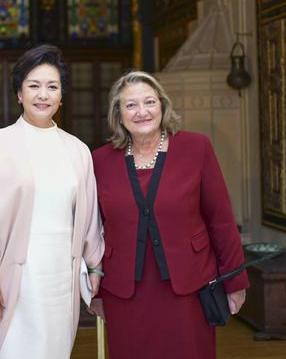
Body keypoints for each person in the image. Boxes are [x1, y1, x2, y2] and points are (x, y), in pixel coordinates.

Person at [91, 70, 249, 359]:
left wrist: (235, 281)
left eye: (149, 102)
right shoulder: (99, 161)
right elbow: (92, 229)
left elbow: (221, 220)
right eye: (130, 105)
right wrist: (95, 290)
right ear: (118, 113)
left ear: (162, 105)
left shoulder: (196, 148)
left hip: (189, 286)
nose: (142, 112)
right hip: (125, 291)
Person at [0, 44, 104, 359]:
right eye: (34, 86)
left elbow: (90, 218)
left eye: (52, 87)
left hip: (61, 279)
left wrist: (95, 269)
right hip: (15, 279)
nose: (43, 95)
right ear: (19, 94)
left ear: (61, 96)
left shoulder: (77, 150)